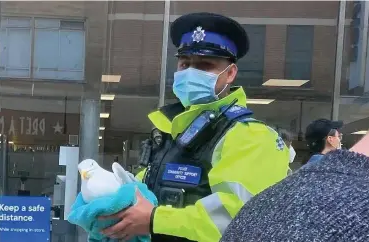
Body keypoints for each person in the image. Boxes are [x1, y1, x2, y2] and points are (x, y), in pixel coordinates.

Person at [100, 12, 290, 242]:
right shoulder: (173, 130)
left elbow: (240, 220)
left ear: (230, 73)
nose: (191, 72)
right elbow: (148, 192)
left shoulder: (251, 138)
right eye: (185, 63)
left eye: (204, 65)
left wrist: (153, 220)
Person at [220, 130, 369, 242]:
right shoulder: (351, 203)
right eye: (339, 136)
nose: (340, 140)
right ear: (329, 139)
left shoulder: (264, 201)